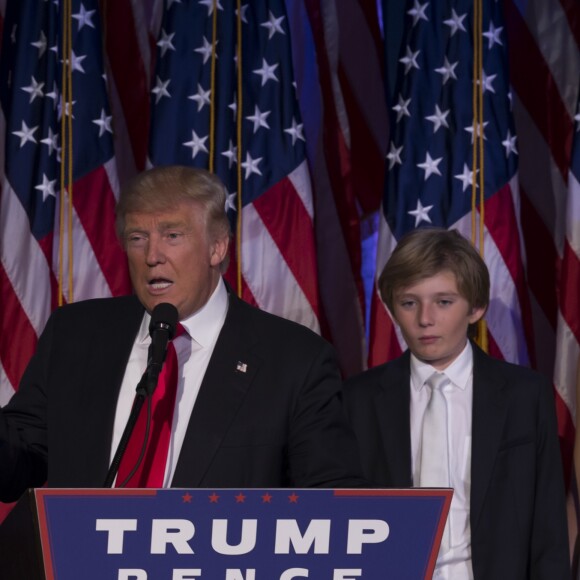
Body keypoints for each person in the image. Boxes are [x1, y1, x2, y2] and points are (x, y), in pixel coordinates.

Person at [0, 165, 365, 502]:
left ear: (217, 247)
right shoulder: (74, 335)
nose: (152, 255)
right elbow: (17, 465)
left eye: (172, 235)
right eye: (137, 237)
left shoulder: (295, 361)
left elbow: (330, 506)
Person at [344, 227, 569, 579]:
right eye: (409, 302)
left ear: (476, 307)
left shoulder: (525, 396)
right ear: (391, 307)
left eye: (444, 302)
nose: (425, 319)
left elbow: (548, 534)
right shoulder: (357, 400)